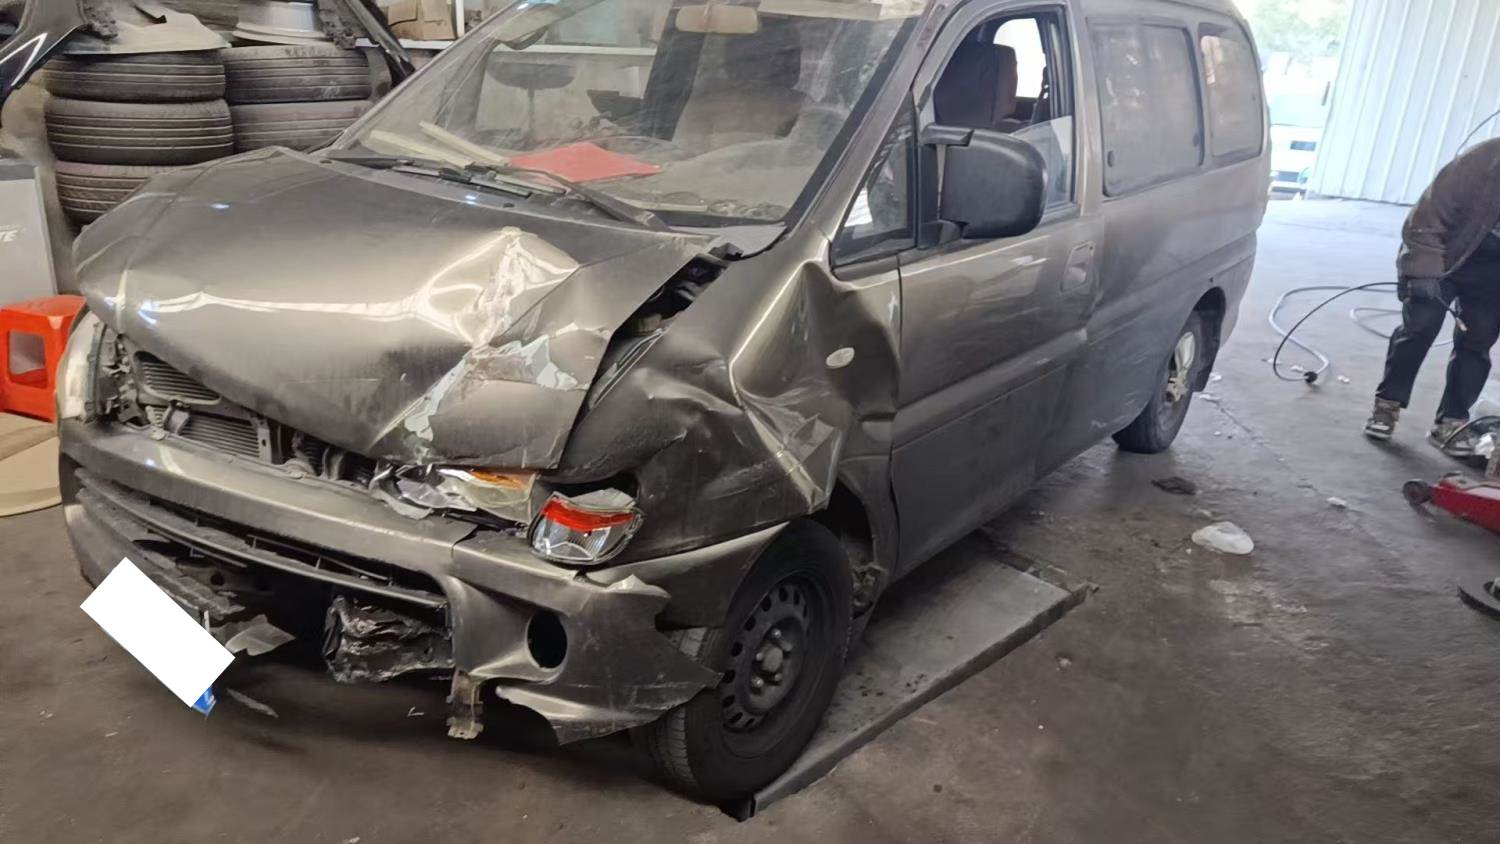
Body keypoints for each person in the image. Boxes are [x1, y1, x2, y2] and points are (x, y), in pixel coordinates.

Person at [1364, 138, 1500, 456]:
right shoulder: (1483, 161)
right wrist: (1422, 270)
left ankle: (1451, 423)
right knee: (1420, 327)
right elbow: (1427, 217)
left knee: (1477, 342)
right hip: (1444, 257)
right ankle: (1387, 405)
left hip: (1492, 273)